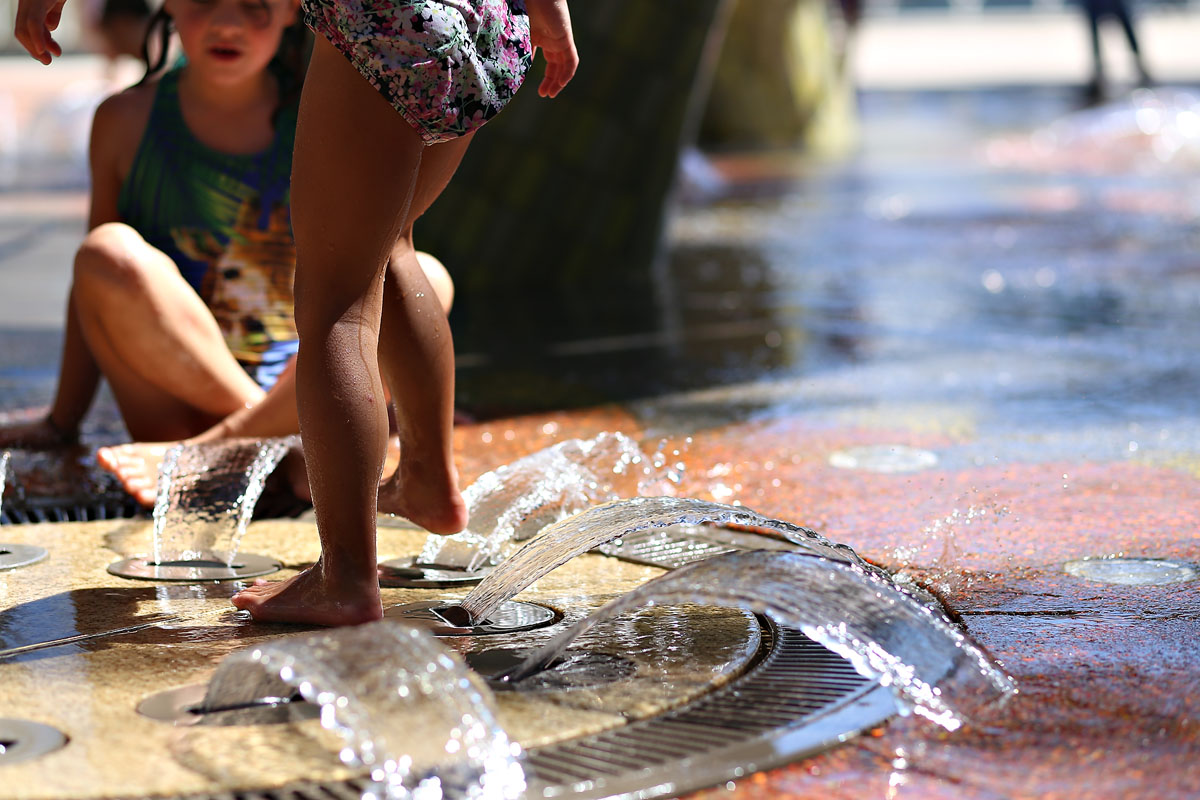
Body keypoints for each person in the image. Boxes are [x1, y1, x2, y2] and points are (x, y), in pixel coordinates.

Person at [15, 0, 579, 626]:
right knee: (390, 248)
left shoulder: (299, 92)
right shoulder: (133, 117)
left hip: (385, 20)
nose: (227, 23)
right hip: (482, 25)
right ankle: (420, 475)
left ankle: (345, 578)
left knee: (338, 305)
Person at [1, 0, 456, 508]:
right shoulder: (124, 120)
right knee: (106, 252)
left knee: (425, 279)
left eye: (255, 6)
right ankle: (283, 446)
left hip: (304, 390)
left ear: (294, 12)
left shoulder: (326, 124)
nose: (226, 23)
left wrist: (420, 398)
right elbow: (94, 294)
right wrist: (63, 419)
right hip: (180, 405)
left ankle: (230, 448)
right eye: (203, 1)